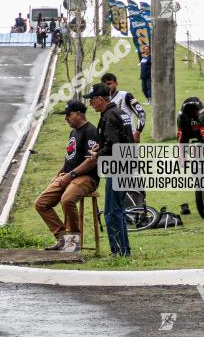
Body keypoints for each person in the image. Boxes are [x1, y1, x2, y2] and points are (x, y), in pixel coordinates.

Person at [34, 100, 101, 253]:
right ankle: (62, 237)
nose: (66, 119)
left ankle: (73, 241)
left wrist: (71, 175)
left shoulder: (90, 132)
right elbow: (70, 157)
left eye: (68, 115)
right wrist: (59, 174)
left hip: (87, 177)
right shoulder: (73, 132)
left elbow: (91, 161)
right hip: (69, 175)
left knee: (67, 199)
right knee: (41, 203)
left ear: (78, 114)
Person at [86, 83, 133, 257]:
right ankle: (124, 251)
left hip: (118, 168)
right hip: (126, 166)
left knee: (112, 212)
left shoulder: (109, 116)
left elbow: (113, 146)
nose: (91, 104)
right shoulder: (119, 113)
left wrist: (97, 154)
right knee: (118, 211)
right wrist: (101, 146)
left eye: (92, 100)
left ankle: (118, 251)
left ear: (99, 99)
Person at [100, 73, 146, 143]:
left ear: (116, 83)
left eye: (109, 84)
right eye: (104, 85)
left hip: (128, 138)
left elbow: (141, 113)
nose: (107, 87)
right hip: (112, 140)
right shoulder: (102, 100)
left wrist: (137, 132)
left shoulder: (125, 96)